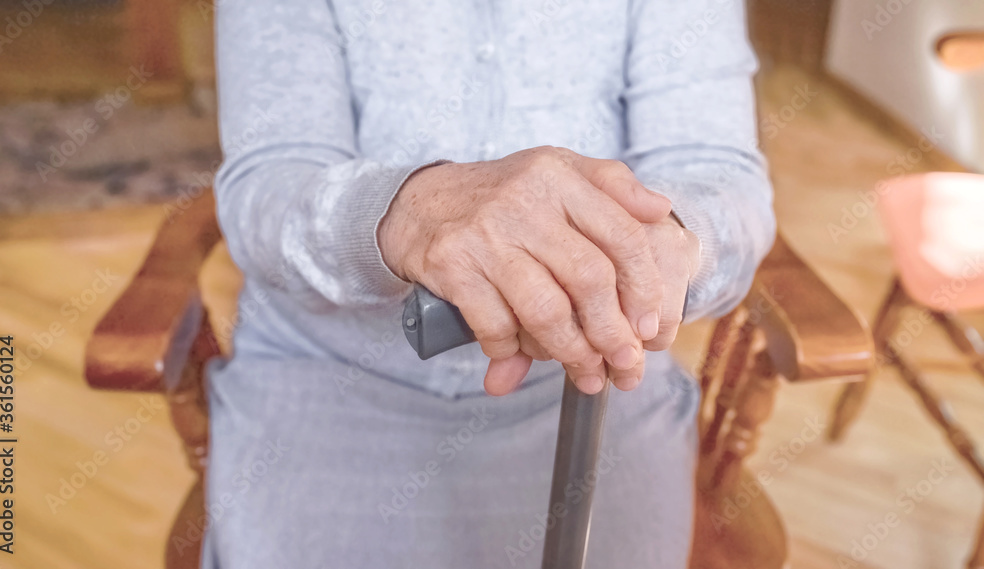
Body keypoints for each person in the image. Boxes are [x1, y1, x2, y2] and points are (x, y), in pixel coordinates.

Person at [201, 0, 775, 567]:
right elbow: (268, 187)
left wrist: (660, 244)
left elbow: (720, 175)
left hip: (592, 383)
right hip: (328, 377)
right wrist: (406, 212)